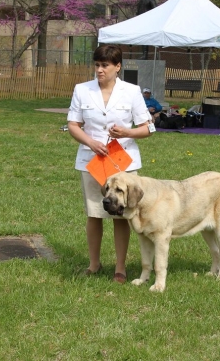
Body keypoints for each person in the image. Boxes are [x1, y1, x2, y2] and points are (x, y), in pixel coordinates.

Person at [67, 44, 153, 284]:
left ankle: (120, 268)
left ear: (118, 67)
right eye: (97, 65)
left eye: (105, 65)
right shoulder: (82, 90)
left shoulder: (132, 91)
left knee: (120, 214)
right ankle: (94, 264)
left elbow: (149, 128)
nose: (100, 70)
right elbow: (73, 125)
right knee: (94, 213)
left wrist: (127, 131)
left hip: (122, 164)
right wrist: (91, 142)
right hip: (91, 161)